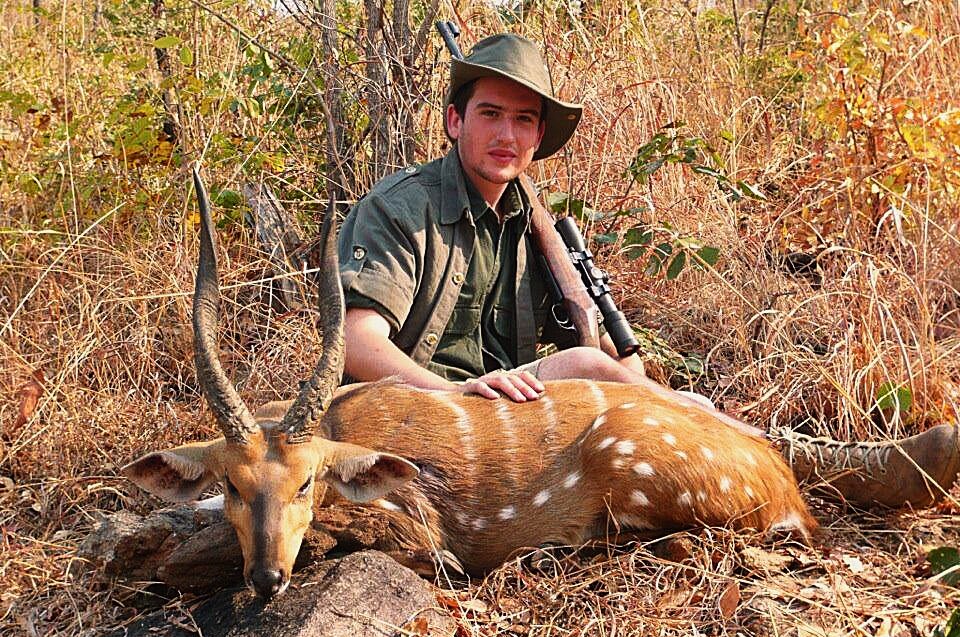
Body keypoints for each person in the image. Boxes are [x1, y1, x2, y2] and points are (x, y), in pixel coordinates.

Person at [337, 33, 959, 509]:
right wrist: (452, 390)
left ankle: (821, 463)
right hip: (412, 421)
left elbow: (585, 338)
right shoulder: (400, 208)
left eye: (524, 120)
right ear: (454, 121)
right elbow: (356, 339)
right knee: (591, 372)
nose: (507, 133)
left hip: (510, 422)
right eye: (490, 114)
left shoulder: (533, 221)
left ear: (538, 137)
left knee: (653, 390)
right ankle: (830, 467)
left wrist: (645, 384)